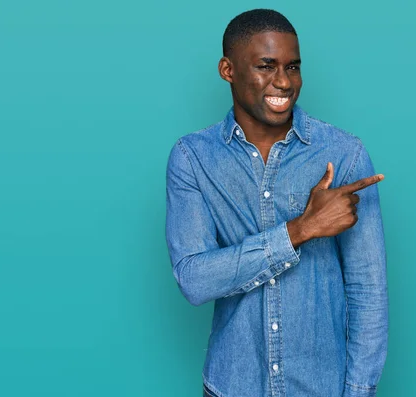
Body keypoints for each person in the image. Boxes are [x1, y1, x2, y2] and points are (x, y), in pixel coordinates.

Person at [165, 8, 388, 397]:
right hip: (231, 387)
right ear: (227, 69)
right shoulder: (193, 159)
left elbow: (368, 291)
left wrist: (358, 392)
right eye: (266, 66)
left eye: (293, 67)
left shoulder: (344, 154)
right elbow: (194, 280)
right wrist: (300, 230)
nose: (284, 82)